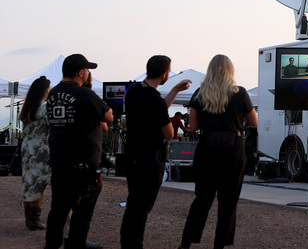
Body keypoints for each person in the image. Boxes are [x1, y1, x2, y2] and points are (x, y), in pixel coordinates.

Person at [178, 54, 257, 249]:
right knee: (228, 202)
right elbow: (254, 122)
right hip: (233, 151)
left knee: (202, 200)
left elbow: (193, 127)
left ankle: (186, 243)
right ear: (230, 70)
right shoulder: (240, 93)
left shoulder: (199, 93)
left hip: (207, 150)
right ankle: (219, 245)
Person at [120, 55, 191, 249]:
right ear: (164, 74)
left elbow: (158, 107)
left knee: (133, 205)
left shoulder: (134, 90)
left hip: (132, 155)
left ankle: (128, 244)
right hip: (150, 159)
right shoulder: (155, 100)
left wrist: (175, 90)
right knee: (141, 209)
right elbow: (168, 133)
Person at [44, 54, 113, 249]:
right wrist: (90, 92)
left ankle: (53, 246)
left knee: (58, 211)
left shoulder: (53, 93)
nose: (89, 74)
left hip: (59, 163)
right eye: (88, 71)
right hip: (84, 167)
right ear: (81, 73)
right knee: (82, 214)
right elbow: (108, 116)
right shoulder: (84, 94)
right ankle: (75, 245)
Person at [20, 76, 51, 231]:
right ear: (44, 90)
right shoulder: (44, 108)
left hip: (27, 148)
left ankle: (29, 218)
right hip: (41, 149)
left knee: (29, 182)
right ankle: (34, 220)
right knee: (40, 184)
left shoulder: (26, 108)